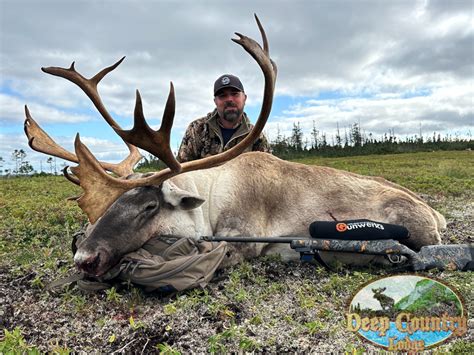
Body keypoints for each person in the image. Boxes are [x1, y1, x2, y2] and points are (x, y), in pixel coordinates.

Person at [177, 74, 271, 162]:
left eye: (235, 94)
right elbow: (181, 170)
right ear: (215, 102)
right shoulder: (197, 129)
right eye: (222, 96)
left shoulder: (256, 136)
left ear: (244, 98)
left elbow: (268, 172)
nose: (229, 99)